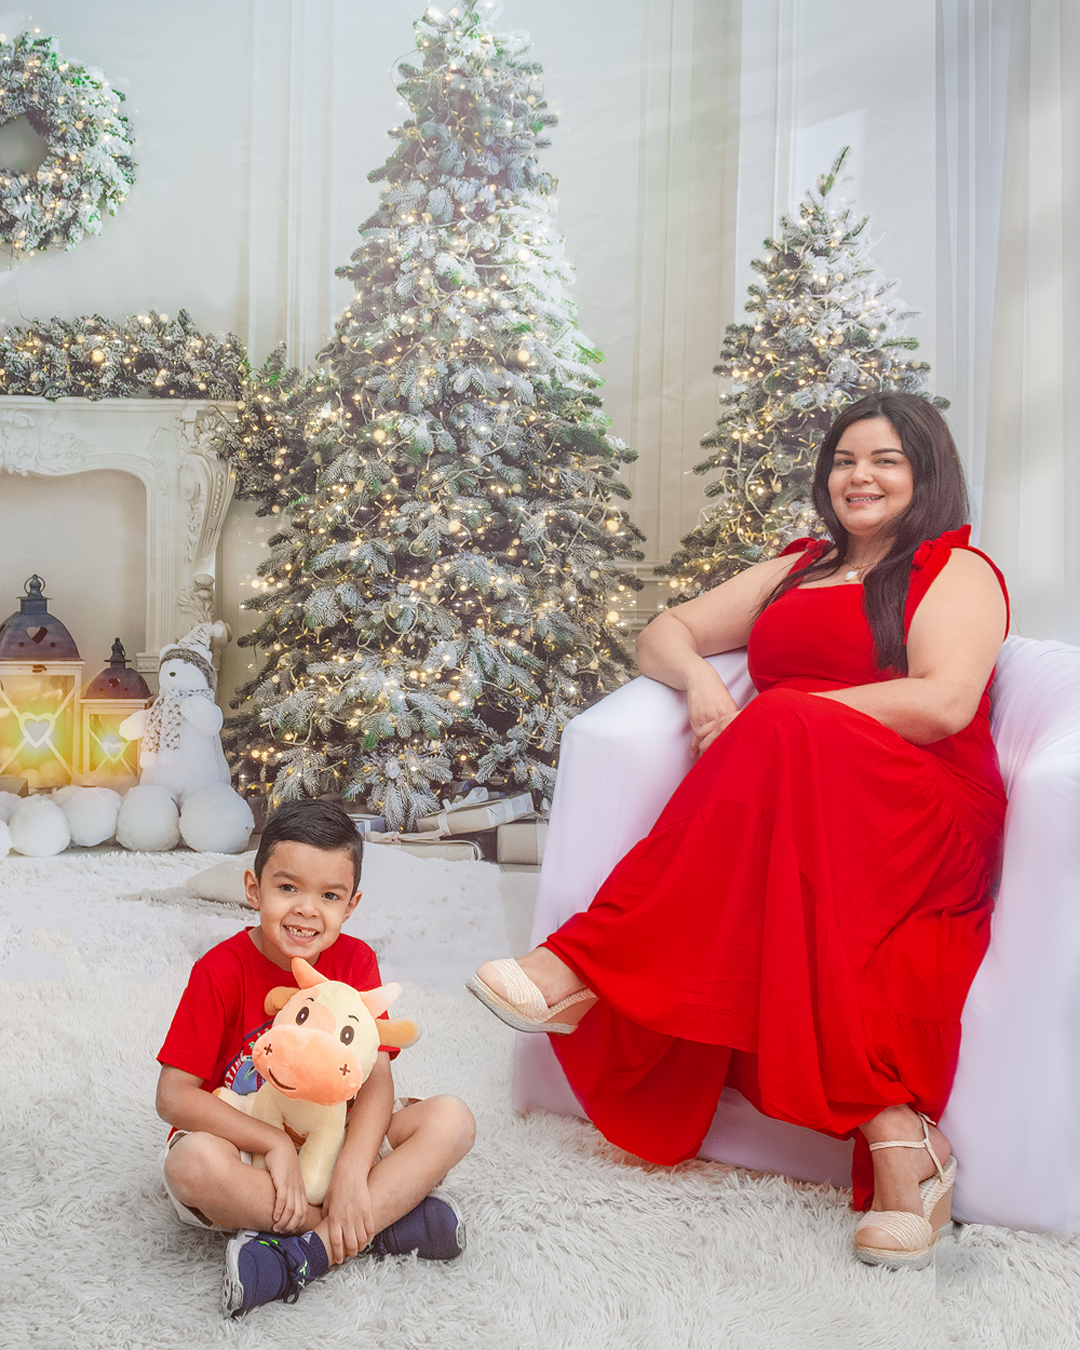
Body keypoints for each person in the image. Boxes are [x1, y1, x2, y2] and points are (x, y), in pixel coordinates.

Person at [468, 392, 1009, 1270]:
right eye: (844, 460)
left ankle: (583, 962)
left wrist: (784, 719)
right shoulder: (799, 566)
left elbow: (944, 703)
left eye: (886, 461)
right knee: (777, 857)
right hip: (791, 797)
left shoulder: (957, 569)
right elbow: (667, 630)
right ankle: (904, 1144)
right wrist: (704, 687)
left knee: (784, 721)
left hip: (919, 807)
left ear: (927, 474)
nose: (860, 477)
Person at [157, 798, 476, 1317]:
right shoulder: (219, 971)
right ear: (253, 888)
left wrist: (351, 1168)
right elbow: (173, 1098)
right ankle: (373, 1227)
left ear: (351, 905)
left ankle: (305, 1252)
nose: (307, 910)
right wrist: (274, 1144)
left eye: (329, 895)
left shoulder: (356, 960)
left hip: (336, 1136)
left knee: (453, 1120)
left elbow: (376, 1080)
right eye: (288, 888)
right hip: (249, 1145)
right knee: (191, 1165)